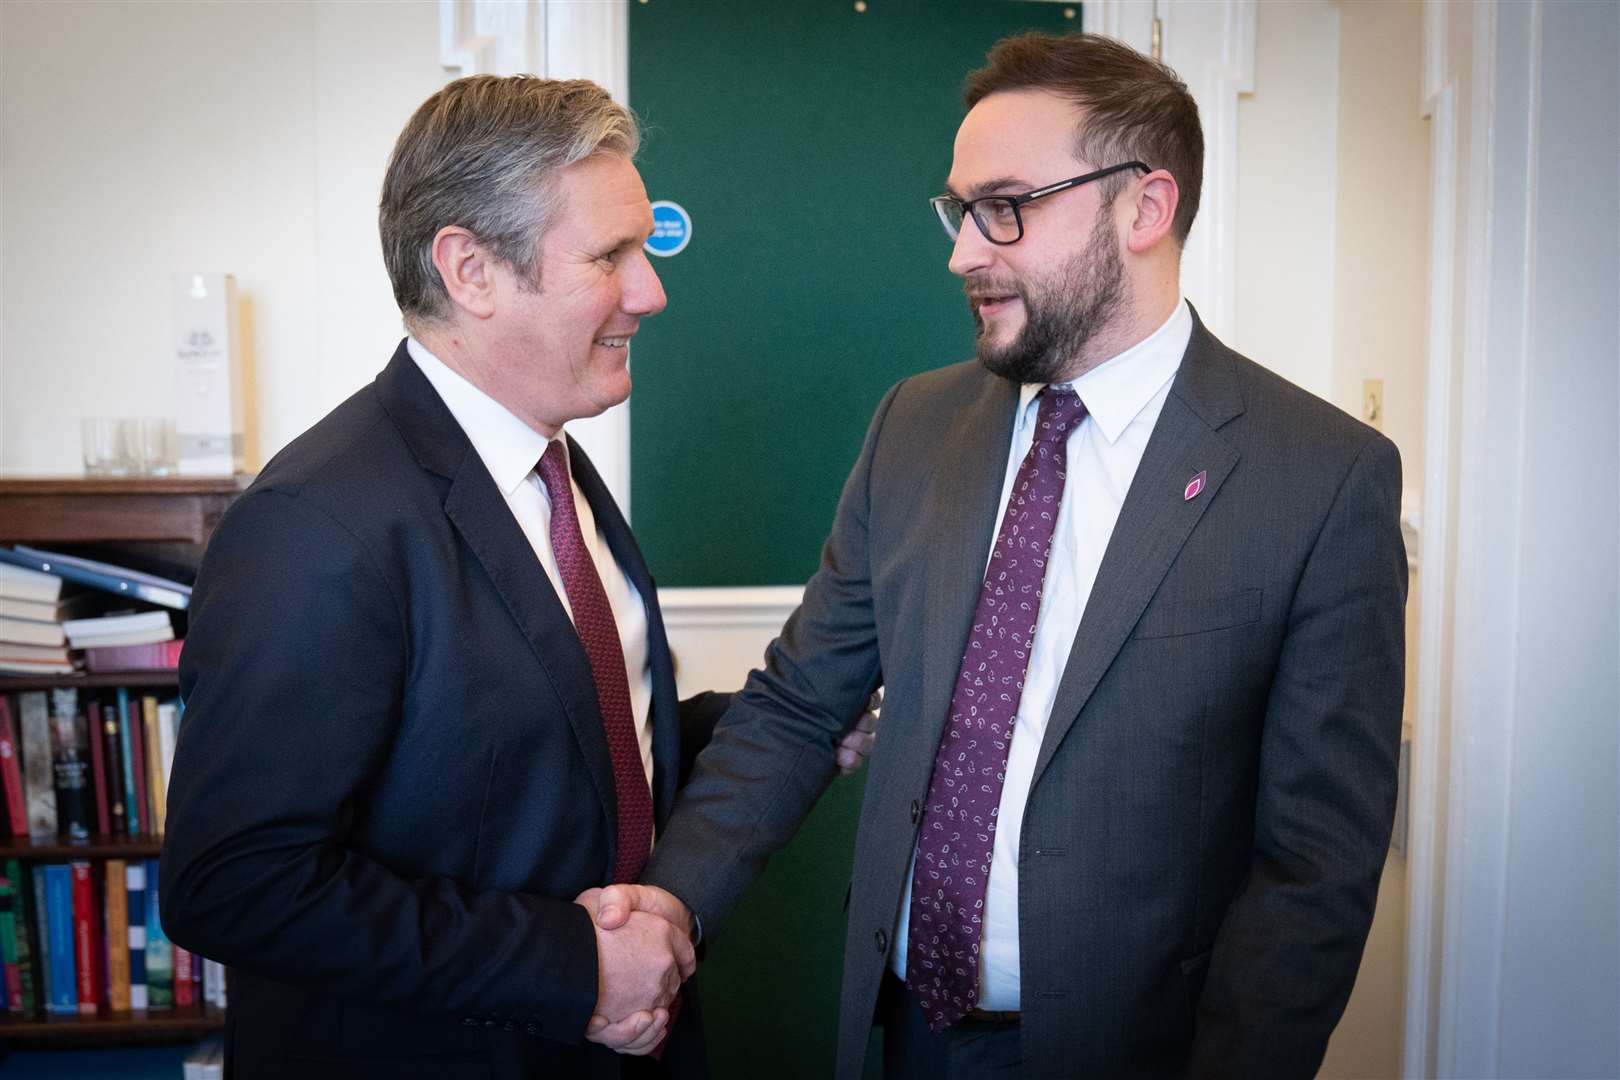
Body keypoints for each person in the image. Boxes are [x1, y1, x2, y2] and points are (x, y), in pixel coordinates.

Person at [602, 31, 1407, 1079]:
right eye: (960, 208)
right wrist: (670, 903)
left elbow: (1316, 865)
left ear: (1145, 209)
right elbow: (803, 704)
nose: (964, 251)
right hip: (907, 1034)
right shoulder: (916, 426)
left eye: (1007, 206)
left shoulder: (1319, 476)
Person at [159, 74, 874, 1079]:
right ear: (470, 269)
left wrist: (772, 725)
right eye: (610, 256)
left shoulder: (555, 470)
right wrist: (572, 966)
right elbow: (235, 882)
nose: (652, 291)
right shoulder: (318, 525)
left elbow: (549, 741)